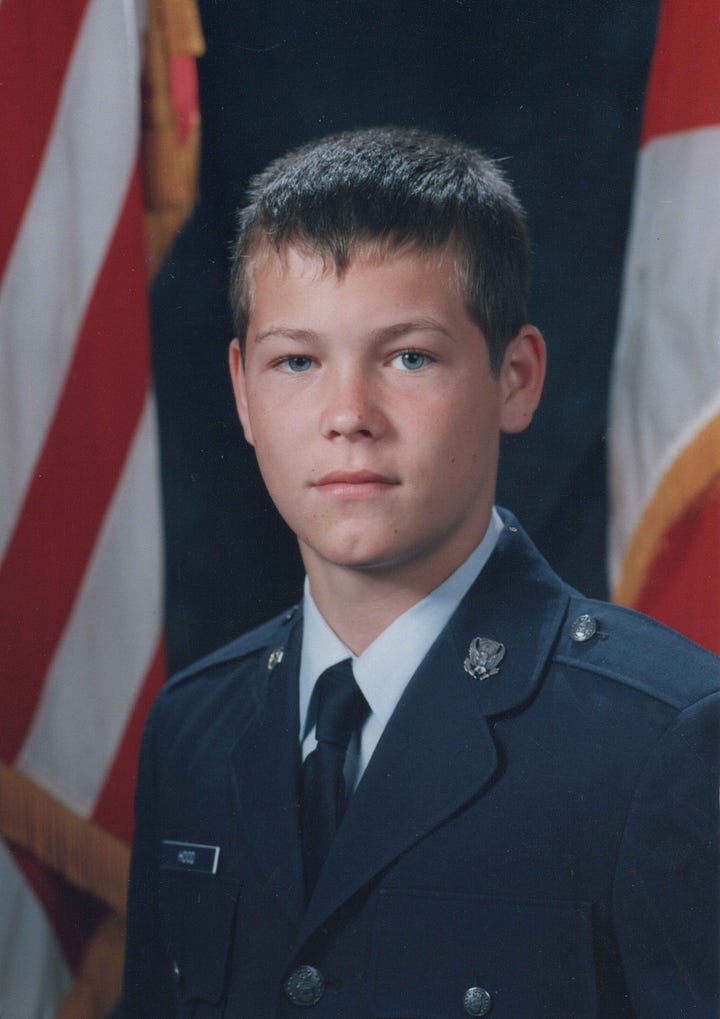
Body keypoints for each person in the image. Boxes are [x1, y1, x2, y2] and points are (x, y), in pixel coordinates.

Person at [123, 127, 719, 1017]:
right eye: (298, 361)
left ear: (515, 377)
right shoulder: (194, 729)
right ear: (244, 393)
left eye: (409, 356)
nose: (348, 415)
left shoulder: (663, 738)